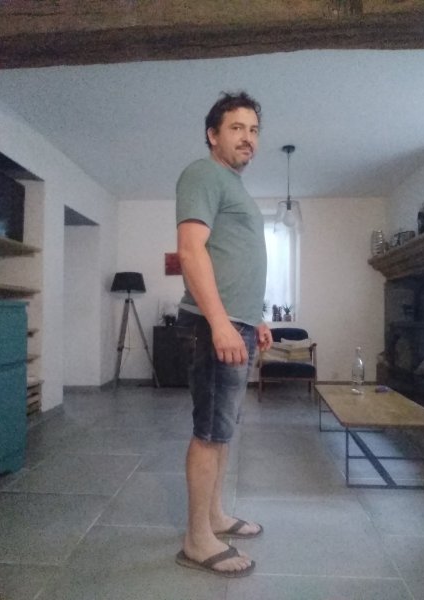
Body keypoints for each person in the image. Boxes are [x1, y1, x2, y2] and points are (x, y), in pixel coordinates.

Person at [174, 91, 272, 578]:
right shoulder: (203, 173)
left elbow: (234, 258)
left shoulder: (233, 186)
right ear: (213, 135)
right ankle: (197, 539)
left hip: (238, 322)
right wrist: (219, 323)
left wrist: (255, 319)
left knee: (223, 428)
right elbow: (191, 251)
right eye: (237, 128)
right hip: (215, 324)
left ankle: (214, 516)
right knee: (210, 432)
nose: (247, 138)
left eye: (253, 130)